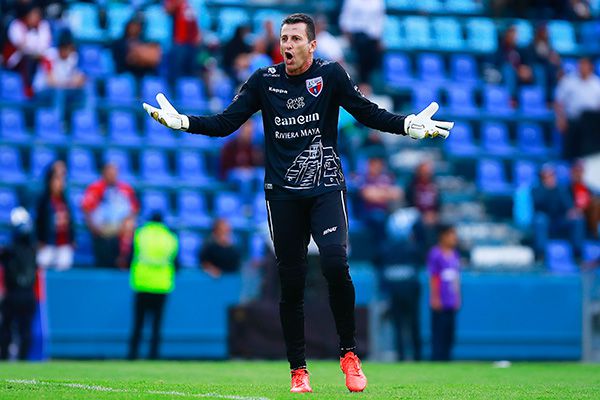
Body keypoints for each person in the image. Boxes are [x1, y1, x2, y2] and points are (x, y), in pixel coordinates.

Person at [142, 13, 454, 393]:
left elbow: (367, 112)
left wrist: (406, 125)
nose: (286, 45)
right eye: (284, 38)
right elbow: (226, 122)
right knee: (291, 283)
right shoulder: (264, 81)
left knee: (336, 264)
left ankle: (349, 355)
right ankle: (298, 370)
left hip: (325, 187)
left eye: (294, 39)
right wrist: (184, 123)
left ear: (312, 45)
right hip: (283, 195)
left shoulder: (331, 75)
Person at [128, 212, 179, 360]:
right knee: (157, 324)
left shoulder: (140, 234)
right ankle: (154, 355)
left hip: (142, 283)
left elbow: (131, 255)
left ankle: (133, 354)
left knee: (138, 323)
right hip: (162, 285)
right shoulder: (170, 237)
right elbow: (176, 262)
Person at [81, 163, 139, 269]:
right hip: (101, 230)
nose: (112, 176)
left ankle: (122, 260)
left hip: (120, 230)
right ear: (104, 173)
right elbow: (87, 209)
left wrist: (125, 225)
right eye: (110, 173)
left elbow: (133, 211)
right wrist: (96, 229)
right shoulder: (95, 188)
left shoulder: (125, 189)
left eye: (115, 173)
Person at [0, 207, 38, 360]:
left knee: (10, 329)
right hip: (25, 294)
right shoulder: (31, 250)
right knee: (23, 330)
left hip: (15, 294)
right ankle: (21, 359)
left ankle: (6, 357)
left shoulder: (10, 251)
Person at [533, 164, 585, 257]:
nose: (549, 178)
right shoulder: (536, 190)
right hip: (546, 221)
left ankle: (578, 254)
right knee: (540, 219)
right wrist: (547, 189)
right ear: (541, 177)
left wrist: (571, 212)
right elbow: (538, 205)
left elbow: (569, 206)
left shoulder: (561, 190)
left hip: (560, 221)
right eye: (546, 175)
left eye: (552, 175)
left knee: (577, 219)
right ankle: (541, 254)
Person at [358, 156, 403, 263]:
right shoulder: (363, 178)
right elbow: (368, 195)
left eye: (379, 164)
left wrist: (378, 193)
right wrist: (385, 193)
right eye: (374, 164)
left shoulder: (386, 177)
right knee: (378, 217)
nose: (377, 167)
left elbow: (398, 193)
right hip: (367, 214)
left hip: (388, 212)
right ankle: (381, 256)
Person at [2, 3, 52, 97]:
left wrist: (35, 50)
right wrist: (32, 49)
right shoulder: (17, 25)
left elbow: (44, 45)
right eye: (33, 14)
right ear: (27, 14)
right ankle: (28, 90)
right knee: (28, 60)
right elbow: (22, 46)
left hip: (38, 57)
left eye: (37, 14)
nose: (35, 17)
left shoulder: (43, 25)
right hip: (17, 59)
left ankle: (44, 91)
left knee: (50, 58)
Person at [555, 57, 600, 160]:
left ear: (590, 67)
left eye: (585, 65)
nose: (582, 67)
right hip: (572, 121)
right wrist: (560, 119)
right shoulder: (568, 81)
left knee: (588, 155)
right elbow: (559, 102)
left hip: (591, 126)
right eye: (580, 65)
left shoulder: (597, 84)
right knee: (570, 153)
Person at [427, 224, 461, 361]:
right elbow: (434, 277)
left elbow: (456, 278)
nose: (454, 238)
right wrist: (435, 297)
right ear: (443, 236)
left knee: (449, 334)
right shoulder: (435, 254)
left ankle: (448, 359)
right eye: (451, 234)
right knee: (439, 334)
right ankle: (437, 359)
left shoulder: (455, 255)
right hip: (440, 301)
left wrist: (458, 297)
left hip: (451, 301)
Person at [35, 164, 75, 271]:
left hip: (63, 243)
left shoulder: (65, 201)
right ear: (50, 182)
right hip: (47, 243)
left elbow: (71, 222)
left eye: (62, 181)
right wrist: (39, 240)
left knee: (64, 267)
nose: (60, 184)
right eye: (57, 180)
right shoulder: (44, 201)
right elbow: (38, 221)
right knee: (42, 264)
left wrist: (72, 239)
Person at [339, 0, 384, 84]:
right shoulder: (351, 1)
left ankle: (367, 83)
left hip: (372, 37)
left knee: (373, 57)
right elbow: (345, 18)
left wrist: (379, 38)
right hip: (356, 35)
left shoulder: (378, 2)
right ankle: (360, 82)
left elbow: (380, 20)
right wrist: (348, 36)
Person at [164, 0, 201, 83]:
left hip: (192, 43)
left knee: (194, 69)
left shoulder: (193, 4)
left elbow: (196, 21)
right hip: (179, 41)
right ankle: (174, 90)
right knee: (176, 69)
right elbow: (167, 9)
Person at [571, 161, 600, 239]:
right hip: (575, 214)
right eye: (576, 170)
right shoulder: (566, 189)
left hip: (589, 213)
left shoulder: (588, 188)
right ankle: (595, 235)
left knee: (597, 202)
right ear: (571, 172)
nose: (578, 173)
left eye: (580, 170)